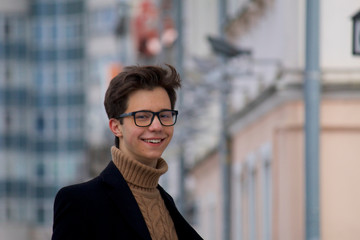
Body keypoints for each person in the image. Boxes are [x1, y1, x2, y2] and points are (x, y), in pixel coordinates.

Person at [51, 64, 203, 240]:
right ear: (116, 127)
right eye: (143, 117)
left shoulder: (166, 203)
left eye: (165, 115)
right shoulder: (80, 202)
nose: (157, 126)